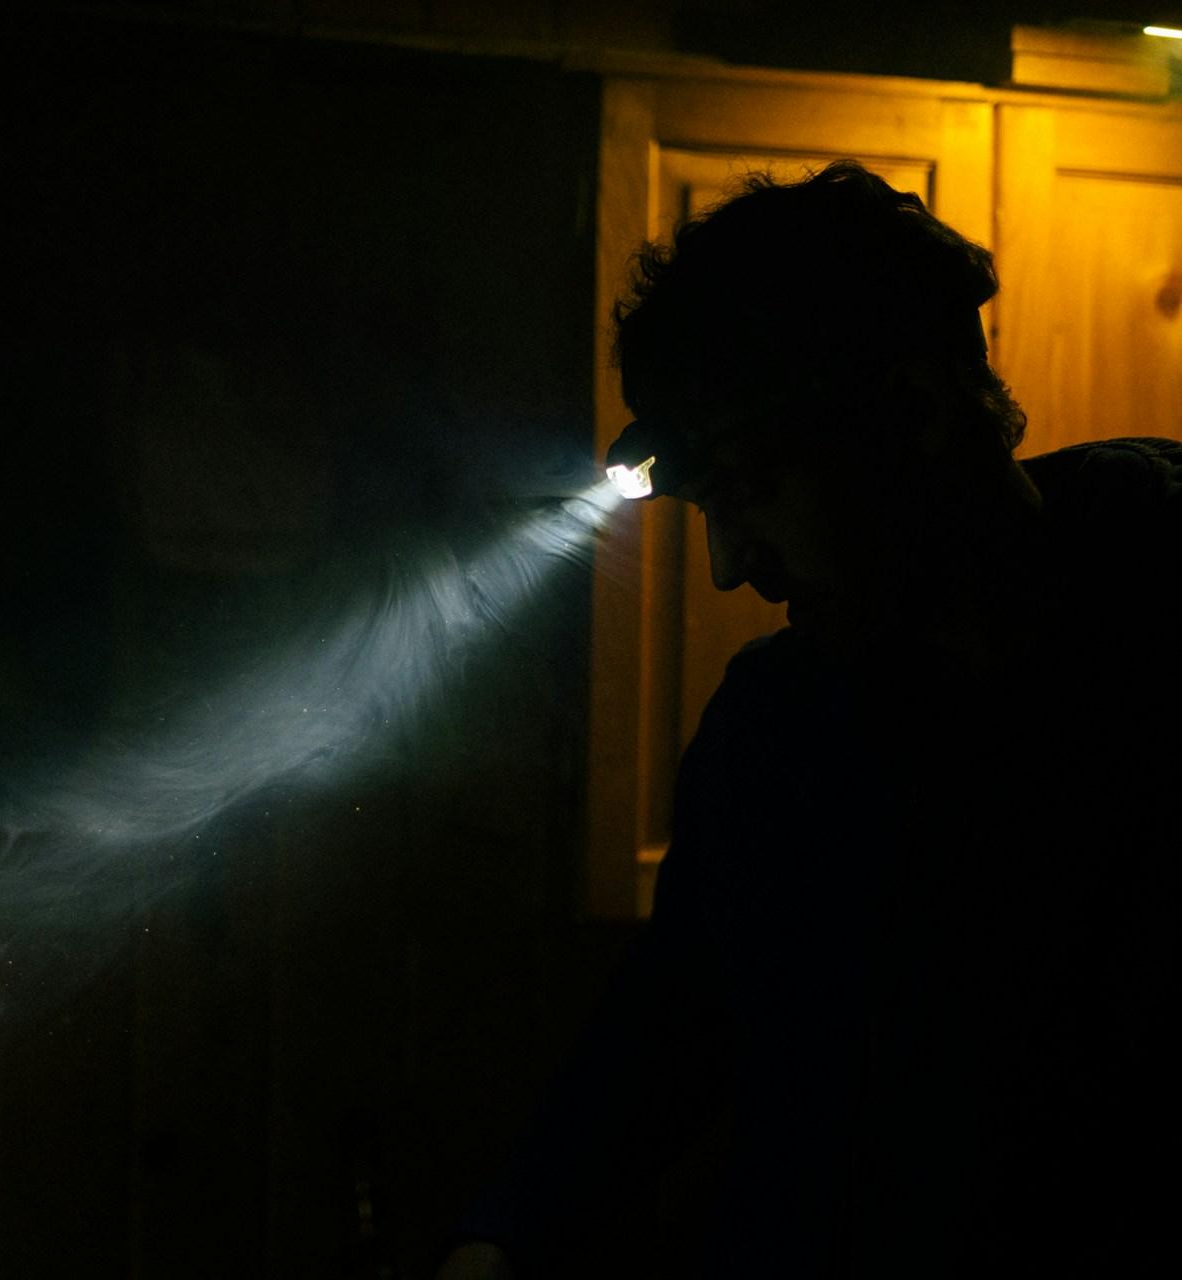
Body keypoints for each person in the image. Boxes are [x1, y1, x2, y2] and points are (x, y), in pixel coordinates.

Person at [439, 160, 1182, 1277]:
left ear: (917, 415)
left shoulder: (1153, 636)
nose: (732, 566)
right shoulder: (776, 725)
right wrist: (506, 1232)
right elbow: (678, 1012)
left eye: (754, 494)